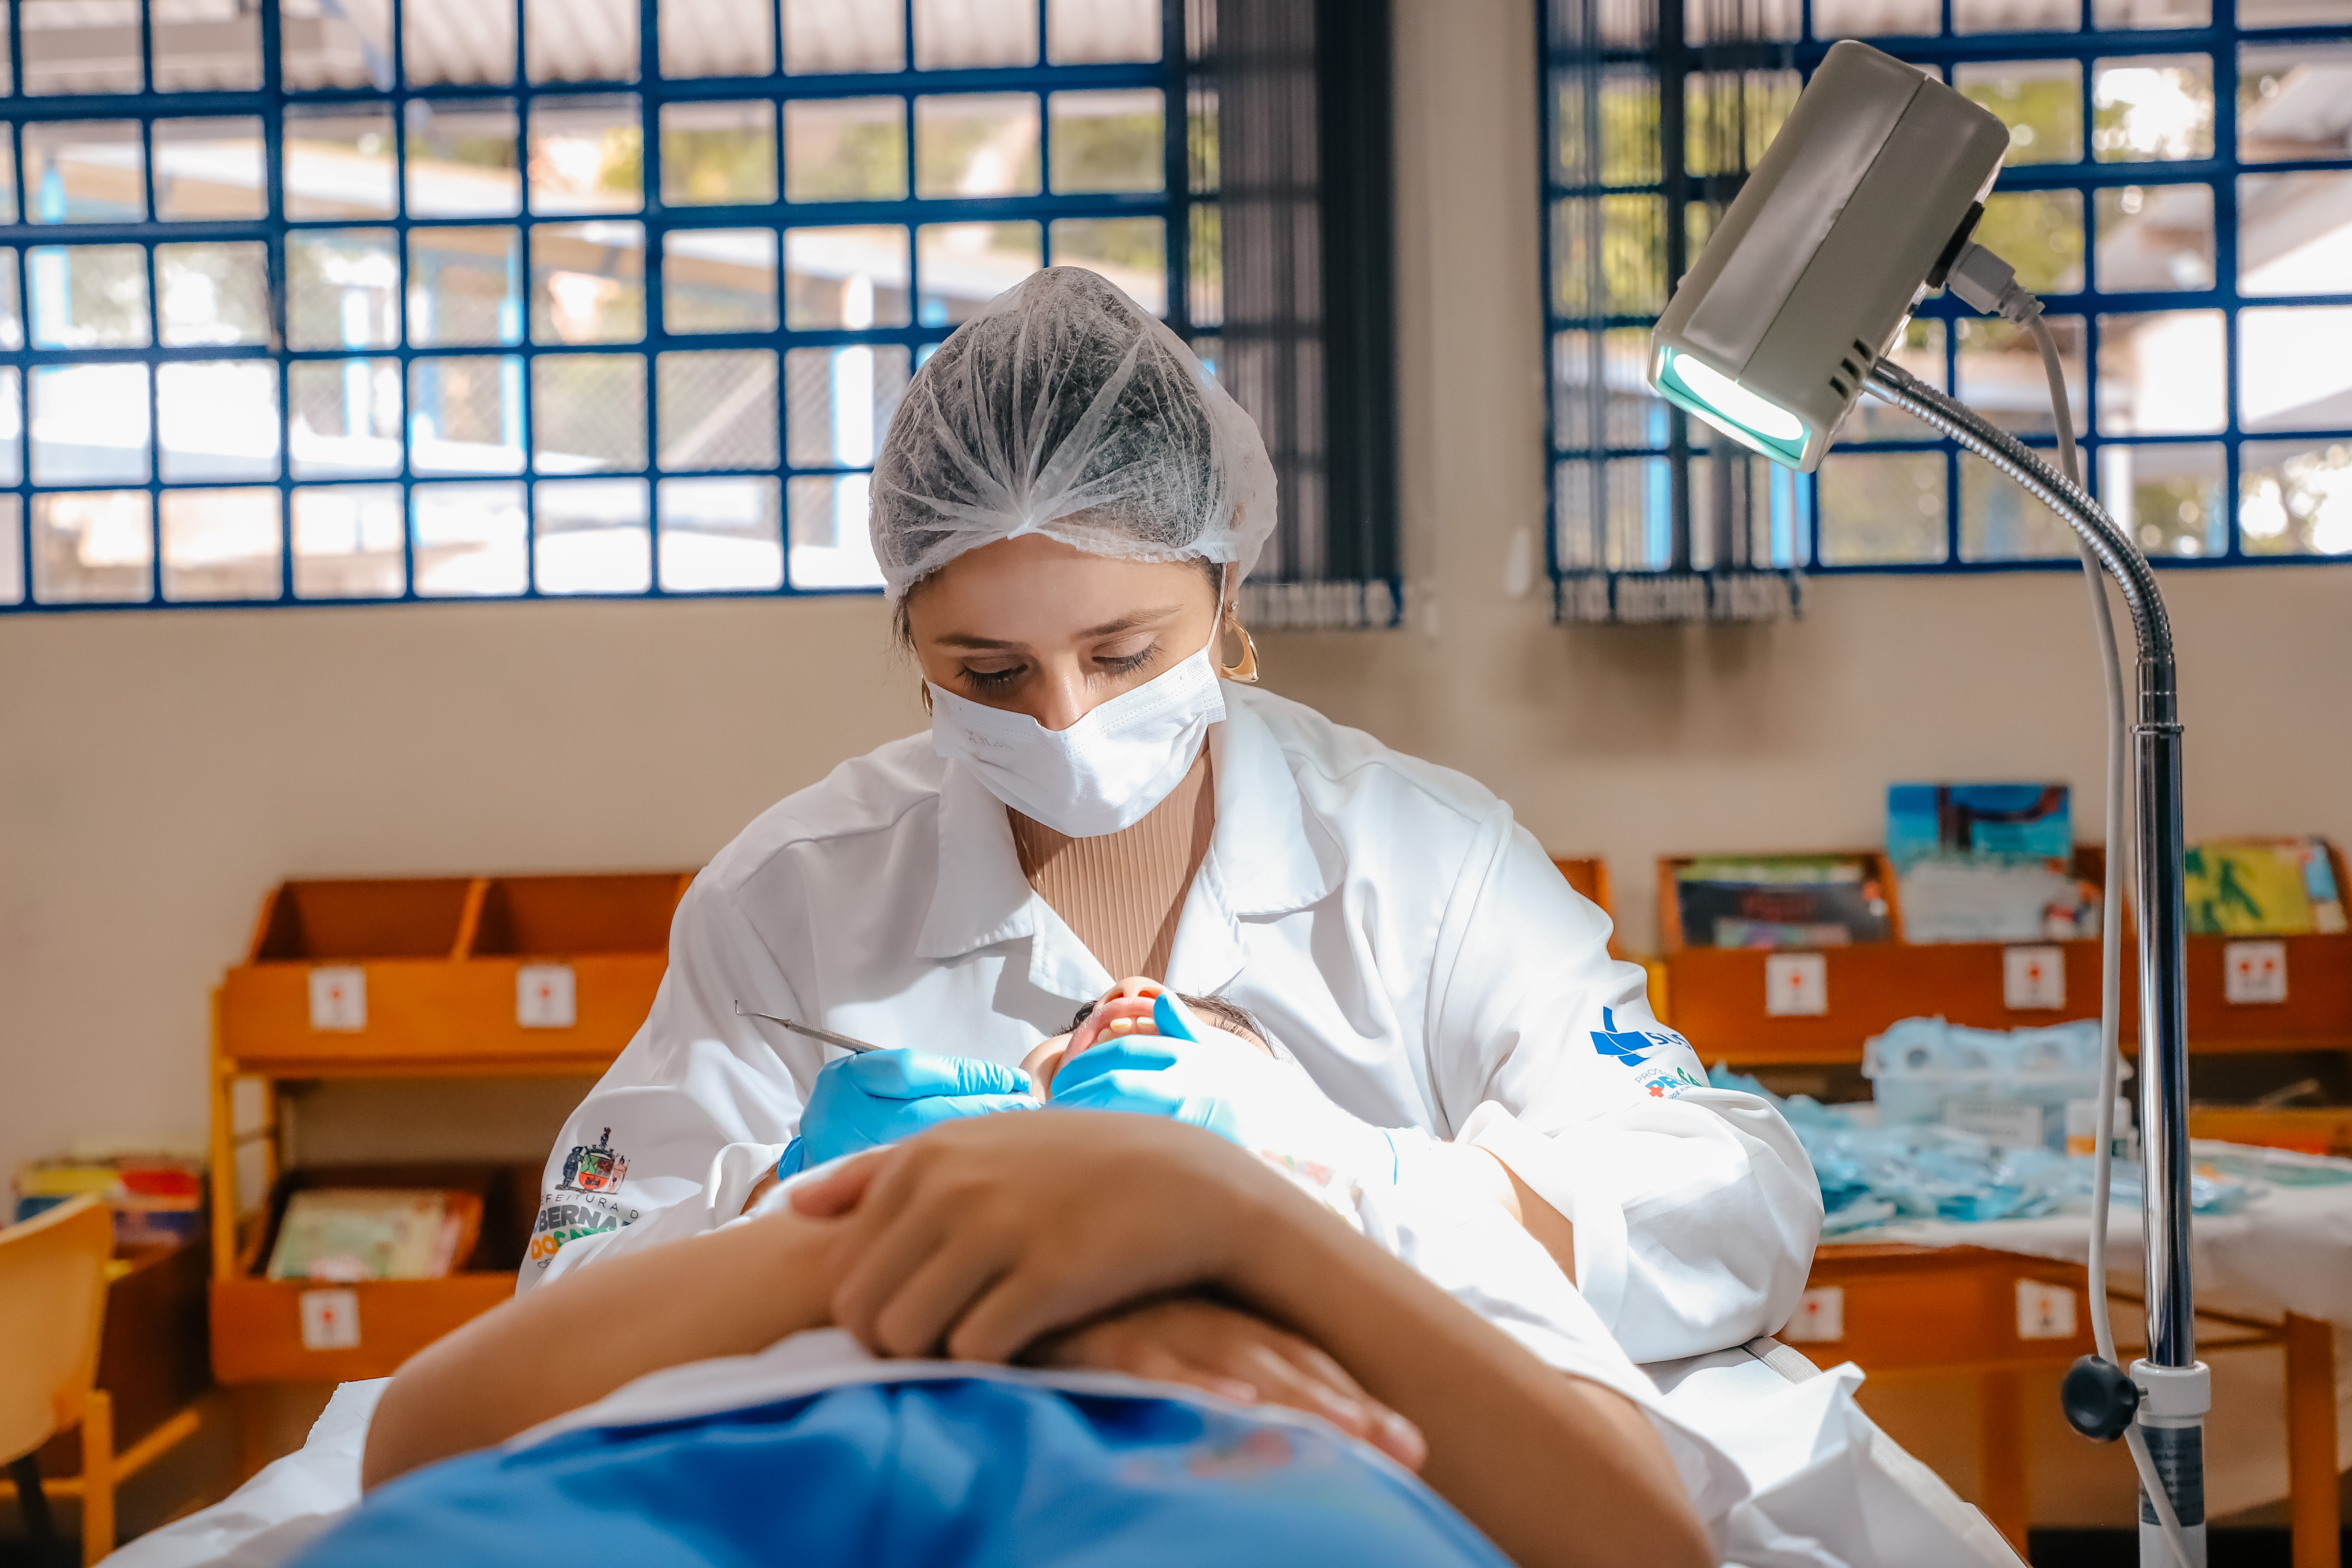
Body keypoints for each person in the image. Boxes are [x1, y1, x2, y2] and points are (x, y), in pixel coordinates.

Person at [523, 265, 1820, 1366]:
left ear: (1226, 588)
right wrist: (789, 1203)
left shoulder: (1427, 863)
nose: (1066, 720)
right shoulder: (790, 901)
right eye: (991, 674)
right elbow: (568, 1290)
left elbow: (1735, 1206)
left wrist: (1348, 1181)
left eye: (1125, 654)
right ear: (910, 642)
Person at [348, 1114, 1718, 1568]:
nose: (1122, 1008)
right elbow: (420, 1440)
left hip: (1234, 1478)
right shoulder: (850, 1181)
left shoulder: (1375, 1189)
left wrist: (1225, 1208)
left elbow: (1648, 1548)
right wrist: (887, 1244)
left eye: (1178, 1027)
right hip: (684, 1462)